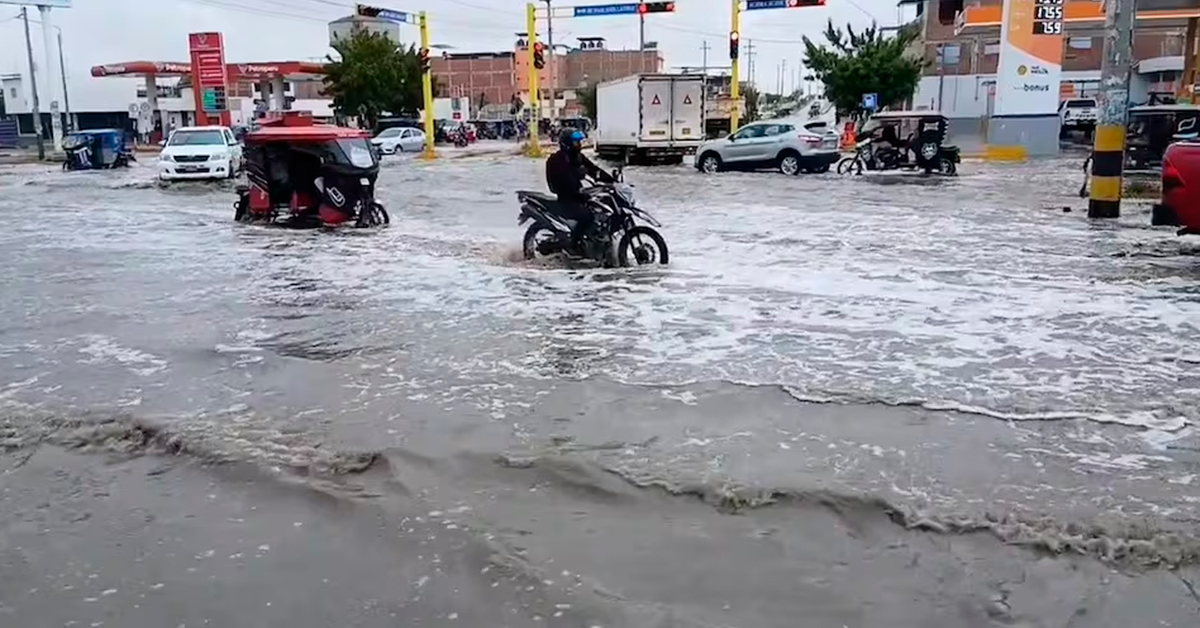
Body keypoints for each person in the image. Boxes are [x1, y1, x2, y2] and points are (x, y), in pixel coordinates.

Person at [545, 129, 614, 251]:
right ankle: (574, 244)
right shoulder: (559, 160)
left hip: (578, 196)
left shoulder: (578, 157)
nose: (579, 145)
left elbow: (594, 170)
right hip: (566, 200)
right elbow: (564, 182)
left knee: (601, 210)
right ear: (567, 144)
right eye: (576, 142)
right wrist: (578, 192)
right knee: (587, 216)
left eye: (579, 142)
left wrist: (612, 181)